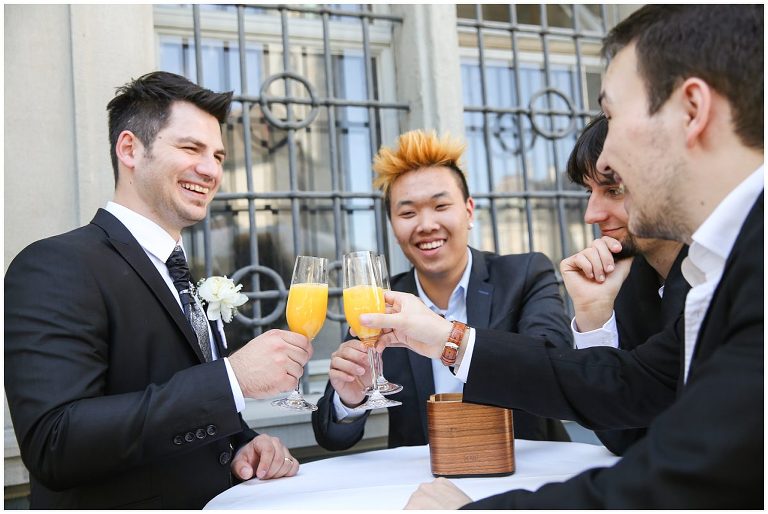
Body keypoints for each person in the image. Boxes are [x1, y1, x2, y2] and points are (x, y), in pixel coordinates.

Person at [358, 5, 763, 508]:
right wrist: (442, 336)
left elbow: (695, 478)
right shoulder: (729, 258)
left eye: (612, 116)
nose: (606, 153)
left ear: (692, 110)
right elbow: (627, 384)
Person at [4, 71, 313, 509]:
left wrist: (242, 444)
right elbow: (56, 442)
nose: (211, 170)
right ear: (129, 148)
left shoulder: (184, 273)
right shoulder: (56, 265)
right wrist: (234, 380)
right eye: (190, 148)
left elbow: (181, 403)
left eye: (219, 155)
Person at [312, 129, 573, 451]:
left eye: (440, 206)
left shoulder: (525, 274)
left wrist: (448, 337)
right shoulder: (380, 300)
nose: (425, 225)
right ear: (394, 228)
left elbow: (555, 367)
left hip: (529, 471)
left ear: (468, 210)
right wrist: (349, 400)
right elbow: (331, 436)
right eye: (407, 213)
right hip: (426, 484)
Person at [562, 113, 690, 455]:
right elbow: (623, 437)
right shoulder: (627, 279)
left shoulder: (731, 274)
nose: (592, 214)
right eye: (590, 191)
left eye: (613, 190)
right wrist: (593, 315)